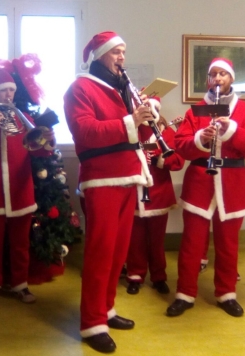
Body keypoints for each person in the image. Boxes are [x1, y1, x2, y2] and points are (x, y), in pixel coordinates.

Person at [63, 31, 155, 353]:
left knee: (118, 252)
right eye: (115, 52)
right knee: (100, 252)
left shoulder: (121, 89)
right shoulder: (80, 88)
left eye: (124, 52)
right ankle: (91, 324)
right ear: (99, 55)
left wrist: (147, 115)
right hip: (101, 179)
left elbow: (134, 133)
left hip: (128, 175)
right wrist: (132, 119)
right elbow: (86, 132)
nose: (121, 58)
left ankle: (107, 310)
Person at [167, 57, 245, 318]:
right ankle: (185, 294)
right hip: (199, 182)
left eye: (223, 74)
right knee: (191, 243)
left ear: (231, 78)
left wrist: (231, 129)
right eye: (213, 75)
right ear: (208, 80)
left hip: (233, 183)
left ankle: (226, 293)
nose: (218, 79)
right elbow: (181, 145)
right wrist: (200, 138)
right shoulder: (195, 110)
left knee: (228, 244)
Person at [0, 54, 56, 307]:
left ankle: (20, 284)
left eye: (10, 91)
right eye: (3, 92)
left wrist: (47, 137)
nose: (8, 96)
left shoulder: (21, 119)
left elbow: (40, 150)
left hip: (20, 189)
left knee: (20, 242)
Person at [126, 113, 185, 295]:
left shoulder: (165, 132)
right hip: (134, 191)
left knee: (157, 240)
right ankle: (135, 276)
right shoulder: (129, 129)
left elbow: (178, 161)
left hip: (159, 193)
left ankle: (159, 276)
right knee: (135, 239)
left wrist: (158, 159)